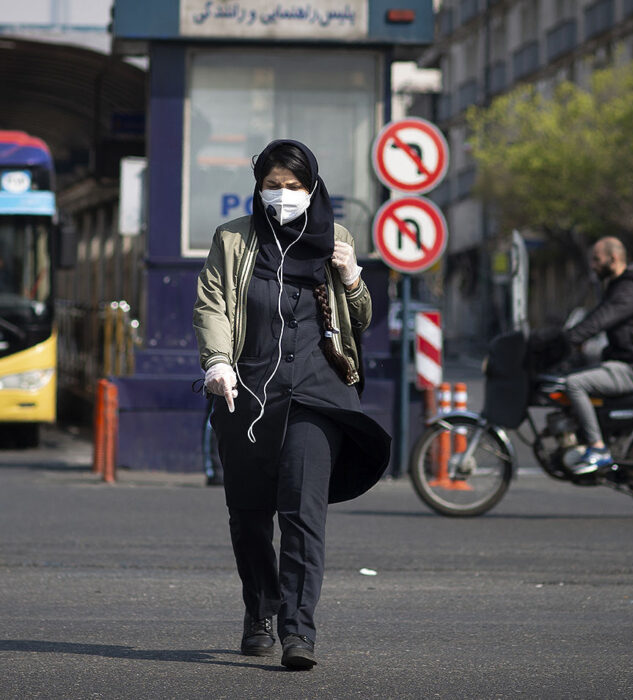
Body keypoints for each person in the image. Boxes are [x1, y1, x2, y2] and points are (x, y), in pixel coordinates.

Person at [192, 139, 391, 670]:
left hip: (318, 393)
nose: (283, 196)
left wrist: (351, 276)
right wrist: (217, 362)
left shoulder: (337, 237)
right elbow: (213, 301)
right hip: (248, 389)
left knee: (303, 514)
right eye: (273, 186)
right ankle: (259, 609)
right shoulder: (233, 239)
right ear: (258, 187)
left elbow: (362, 317)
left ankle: (298, 630)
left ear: (313, 187)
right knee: (249, 514)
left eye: (295, 187)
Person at [563, 236, 633, 475]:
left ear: (614, 258)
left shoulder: (629, 290)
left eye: (597, 260)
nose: (593, 265)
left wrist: (566, 340)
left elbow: (600, 320)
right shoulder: (618, 285)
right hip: (620, 362)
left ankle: (598, 448)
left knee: (574, 384)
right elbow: (596, 316)